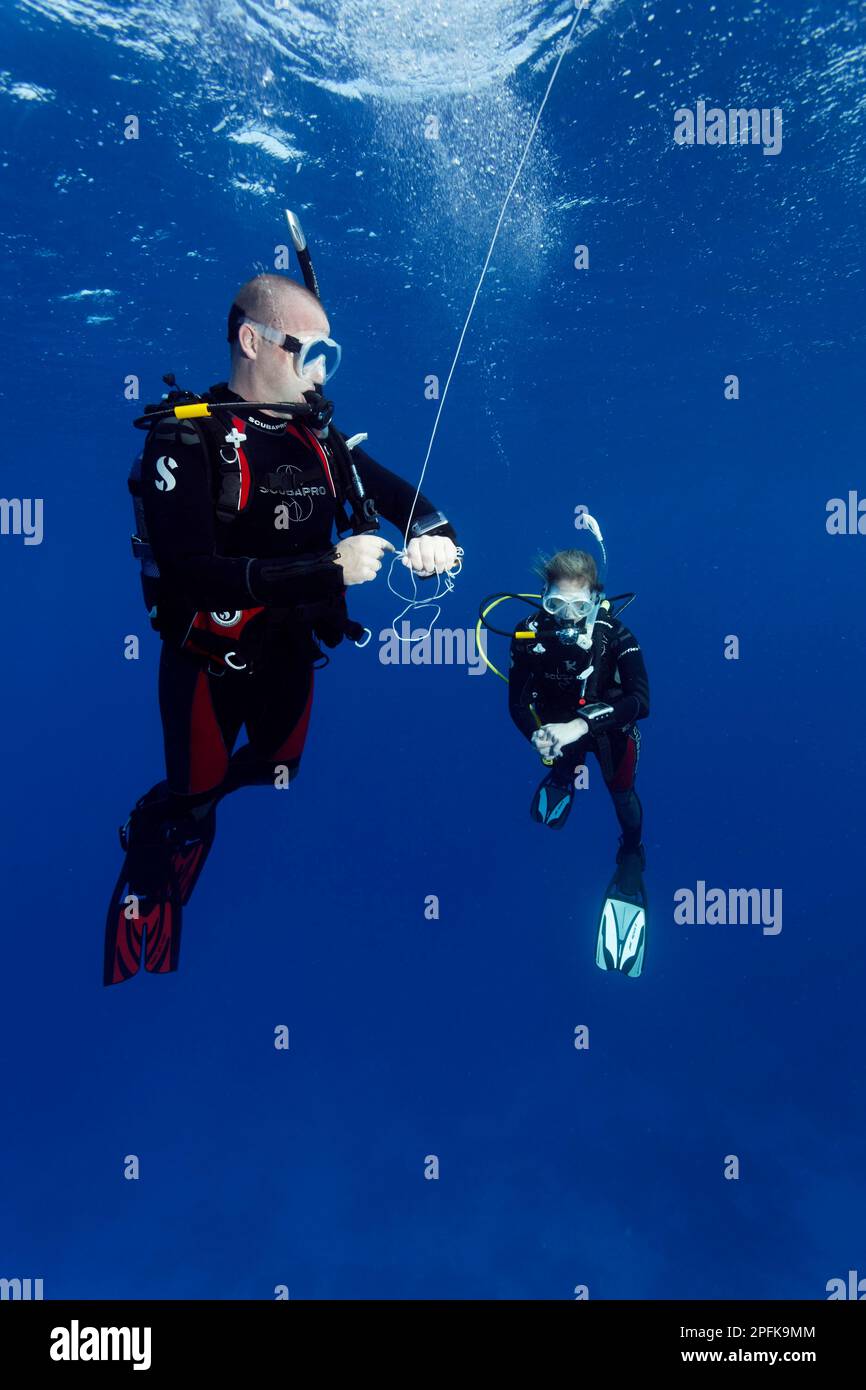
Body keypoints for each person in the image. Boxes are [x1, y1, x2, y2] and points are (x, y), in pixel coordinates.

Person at [105, 271, 459, 983]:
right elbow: (190, 571)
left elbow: (403, 496)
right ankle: (162, 826)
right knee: (196, 796)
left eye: (333, 353)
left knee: (279, 769)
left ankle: (190, 811)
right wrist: (327, 569)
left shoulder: (318, 436)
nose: (322, 371)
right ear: (253, 341)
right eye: (310, 351)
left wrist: (436, 536)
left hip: (292, 650)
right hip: (209, 660)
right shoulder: (187, 436)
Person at [507, 548, 650, 975]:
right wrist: (537, 735)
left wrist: (580, 726)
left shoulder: (617, 636)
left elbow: (641, 701)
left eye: (579, 606)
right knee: (562, 762)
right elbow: (516, 702)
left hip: (610, 732)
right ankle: (563, 777)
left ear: (596, 599)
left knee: (622, 794)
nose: (567, 618)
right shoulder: (527, 636)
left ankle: (631, 855)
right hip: (559, 732)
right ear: (542, 597)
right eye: (556, 604)